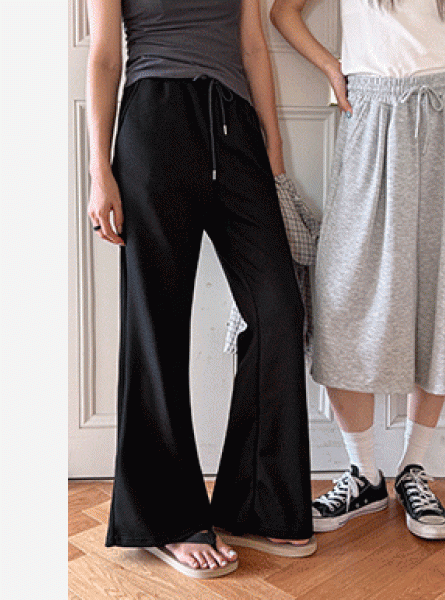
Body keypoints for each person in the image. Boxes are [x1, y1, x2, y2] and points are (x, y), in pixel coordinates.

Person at [86, 0, 316, 578]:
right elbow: (106, 56)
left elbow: (253, 45)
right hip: (154, 122)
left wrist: (272, 150)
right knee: (156, 323)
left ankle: (258, 503)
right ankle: (168, 520)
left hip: (234, 126)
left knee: (278, 308)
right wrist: (99, 170)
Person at [270, 0, 445, 540]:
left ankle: (412, 468)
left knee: (439, 297)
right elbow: (283, 12)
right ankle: (364, 474)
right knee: (341, 296)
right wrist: (331, 66)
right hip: (371, 117)